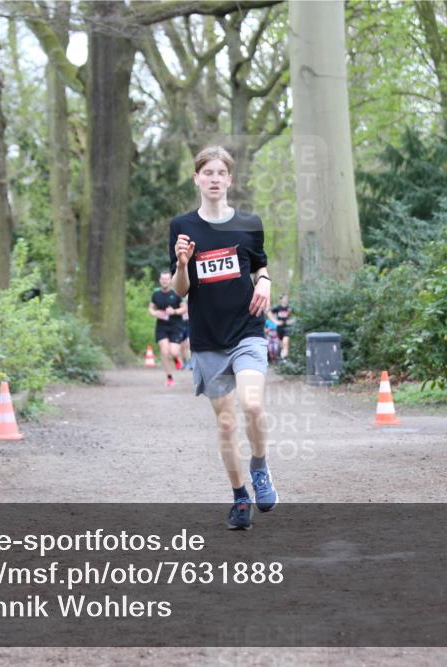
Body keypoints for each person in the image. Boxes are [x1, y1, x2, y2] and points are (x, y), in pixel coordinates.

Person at [170, 145, 277, 530]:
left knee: (251, 405)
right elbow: (181, 290)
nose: (214, 178)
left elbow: (260, 264)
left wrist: (264, 281)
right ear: (196, 178)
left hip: (246, 329)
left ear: (230, 179)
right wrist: (183, 264)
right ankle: (239, 498)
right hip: (207, 338)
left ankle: (260, 467)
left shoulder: (249, 223)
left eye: (221, 172)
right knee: (227, 424)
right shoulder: (183, 227)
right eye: (207, 172)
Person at [148, 270, 186, 387]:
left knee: (174, 352)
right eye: (162, 279)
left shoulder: (176, 293)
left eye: (167, 279)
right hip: (162, 326)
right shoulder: (156, 294)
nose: (164, 281)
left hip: (176, 326)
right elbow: (151, 308)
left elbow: (184, 309)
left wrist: (174, 311)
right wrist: (155, 313)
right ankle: (169, 377)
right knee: (164, 351)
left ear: (170, 280)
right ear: (160, 280)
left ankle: (177, 359)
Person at [269, 294, 293, 360]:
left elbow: (297, 315)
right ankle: (283, 359)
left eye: (287, 298)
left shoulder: (290, 308)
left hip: (287, 327)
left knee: (286, 342)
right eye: (284, 298)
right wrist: (275, 321)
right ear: (281, 300)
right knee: (282, 344)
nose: (286, 300)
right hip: (279, 328)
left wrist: (291, 321)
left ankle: (285, 359)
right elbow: (269, 312)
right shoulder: (278, 308)